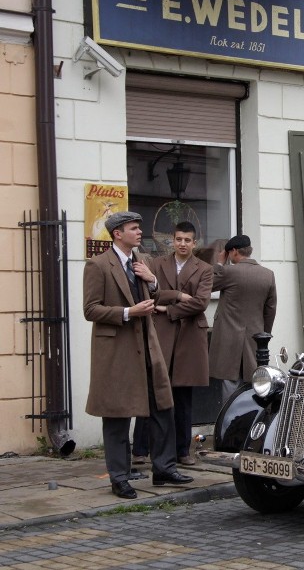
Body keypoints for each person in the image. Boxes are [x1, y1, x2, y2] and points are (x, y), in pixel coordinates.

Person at [82, 211, 193, 500]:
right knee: (117, 416)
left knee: (162, 408)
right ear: (117, 233)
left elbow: (152, 298)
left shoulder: (141, 262)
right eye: (134, 228)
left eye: (138, 228)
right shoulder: (98, 265)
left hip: (147, 345)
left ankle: (164, 469)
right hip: (117, 351)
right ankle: (119, 477)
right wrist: (129, 313)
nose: (139, 232)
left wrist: (154, 282)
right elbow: (90, 310)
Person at [133, 222, 212, 466]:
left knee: (183, 397)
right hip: (162, 335)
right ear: (172, 240)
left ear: (194, 243)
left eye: (187, 240)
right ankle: (140, 450)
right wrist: (177, 295)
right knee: (153, 392)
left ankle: (182, 452)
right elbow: (151, 293)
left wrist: (169, 308)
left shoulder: (205, 269)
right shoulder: (158, 264)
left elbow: (200, 303)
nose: (182, 244)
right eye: (178, 239)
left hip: (189, 338)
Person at [209, 235, 277, 403]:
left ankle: (231, 424)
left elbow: (206, 285)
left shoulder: (228, 271)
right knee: (254, 382)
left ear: (233, 252)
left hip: (228, 338)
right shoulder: (268, 274)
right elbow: (271, 309)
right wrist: (264, 334)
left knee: (230, 384)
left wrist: (218, 264)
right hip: (255, 337)